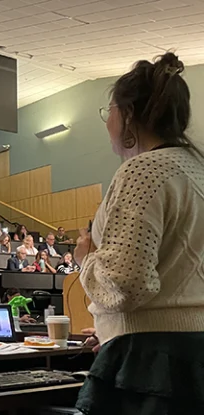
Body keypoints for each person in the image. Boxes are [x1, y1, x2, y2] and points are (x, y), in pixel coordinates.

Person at [72, 52, 204, 415]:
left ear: (127, 114)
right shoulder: (198, 171)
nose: (108, 122)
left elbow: (129, 284)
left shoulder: (143, 170)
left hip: (154, 365)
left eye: (109, 110)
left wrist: (85, 259)